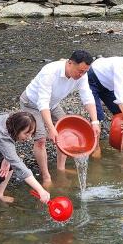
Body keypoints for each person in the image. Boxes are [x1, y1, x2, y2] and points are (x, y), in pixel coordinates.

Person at [19, 50, 97, 186]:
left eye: (85, 72)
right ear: (70, 63)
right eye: (80, 71)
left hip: (53, 104)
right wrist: (51, 128)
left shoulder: (81, 75)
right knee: (41, 139)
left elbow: (87, 97)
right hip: (31, 103)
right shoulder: (50, 72)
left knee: (66, 130)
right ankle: (46, 176)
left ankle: (61, 168)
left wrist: (95, 121)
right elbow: (42, 103)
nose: (82, 75)